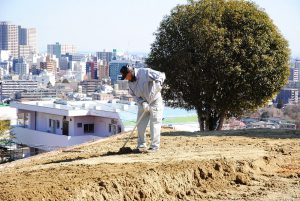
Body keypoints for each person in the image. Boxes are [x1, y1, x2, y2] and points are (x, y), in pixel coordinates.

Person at [120, 65, 166, 153]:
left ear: (130, 72)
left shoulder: (145, 72)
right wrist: (142, 103)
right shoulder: (130, 83)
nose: (126, 78)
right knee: (140, 124)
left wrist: (158, 83)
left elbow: (161, 75)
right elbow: (134, 96)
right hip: (143, 103)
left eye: (126, 76)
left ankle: (154, 147)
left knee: (155, 123)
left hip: (155, 101)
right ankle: (141, 145)